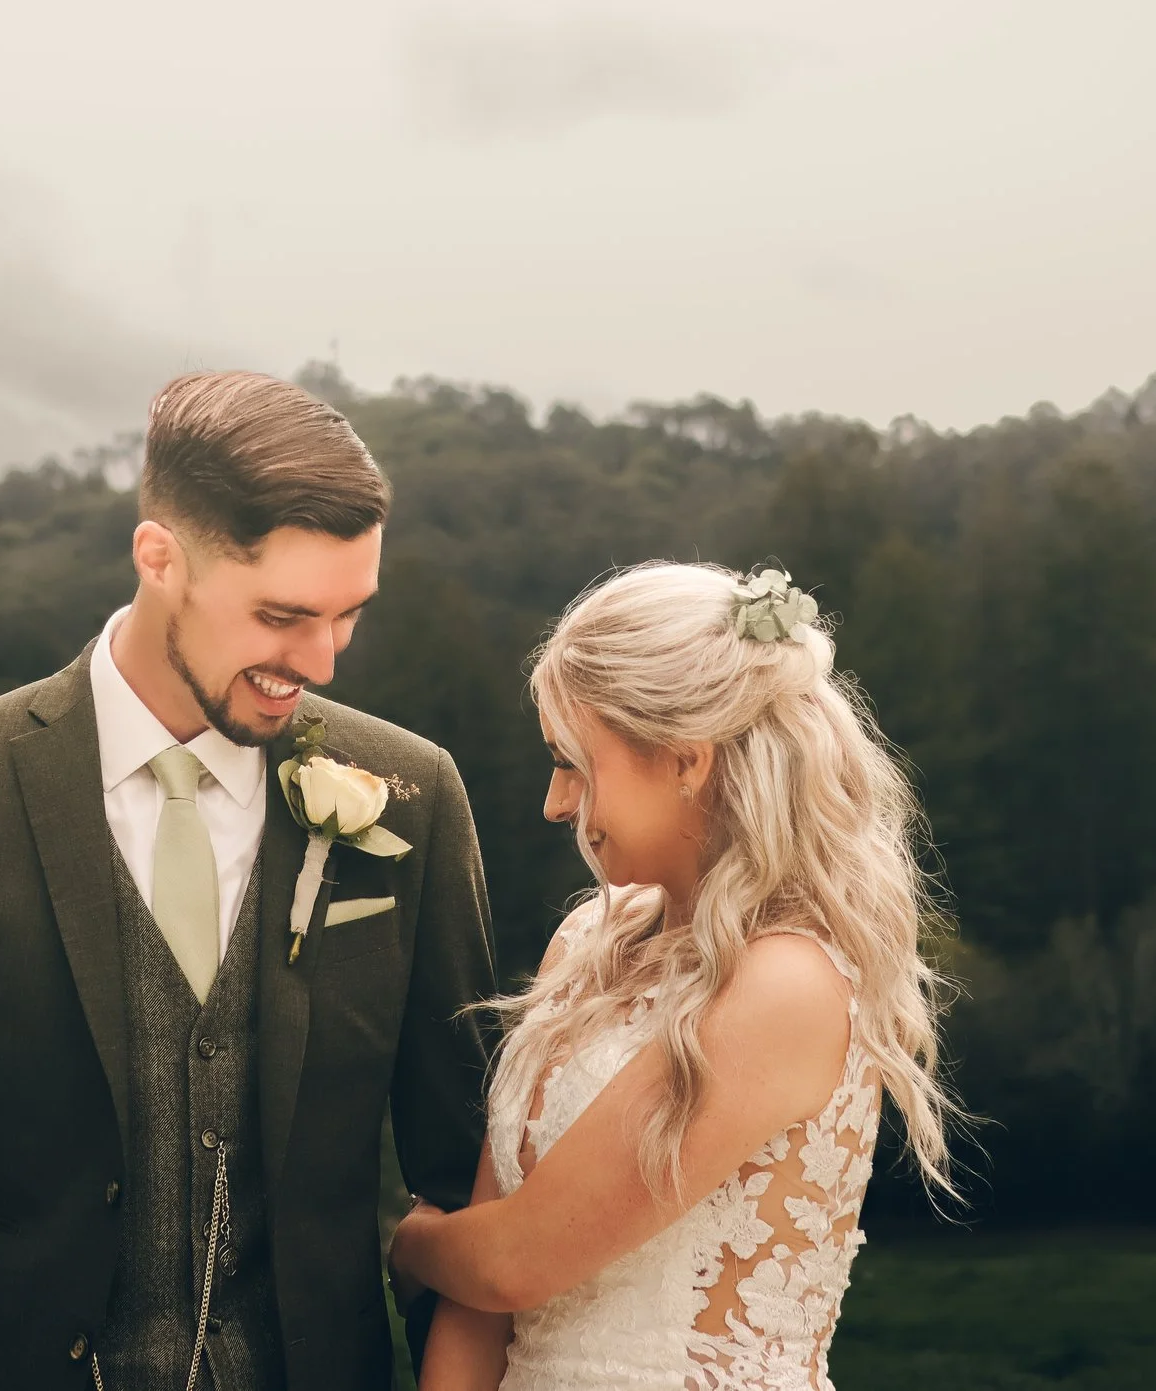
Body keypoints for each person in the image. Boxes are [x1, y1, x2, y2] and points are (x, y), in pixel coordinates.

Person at [0, 370, 497, 1391]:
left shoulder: (412, 793)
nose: (322, 661)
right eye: (282, 615)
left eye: (348, 615)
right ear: (159, 556)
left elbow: (464, 1172)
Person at [391, 562, 961, 1391]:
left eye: (574, 763)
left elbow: (514, 1257)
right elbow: (486, 1288)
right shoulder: (589, 938)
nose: (556, 802)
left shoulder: (787, 983)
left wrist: (405, 1240)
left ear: (685, 761)